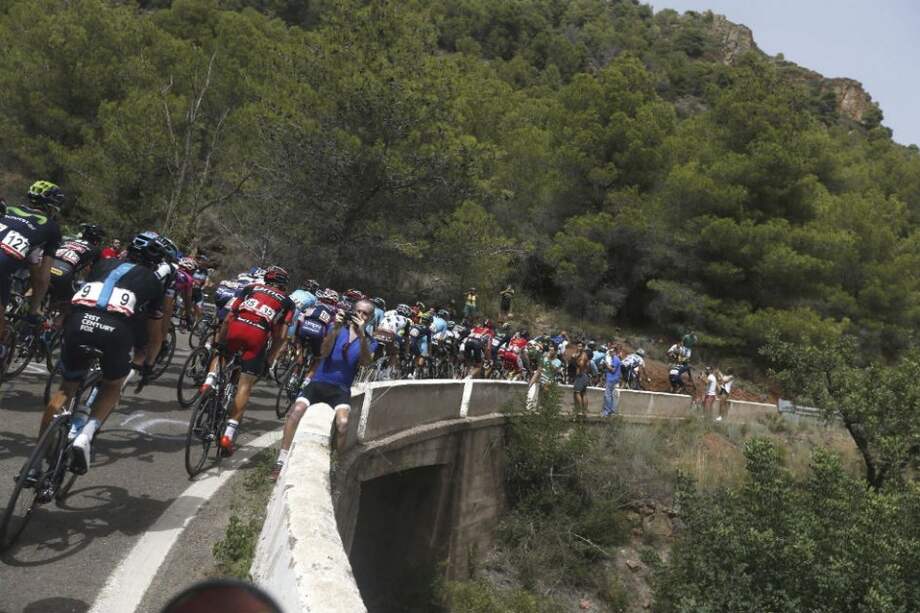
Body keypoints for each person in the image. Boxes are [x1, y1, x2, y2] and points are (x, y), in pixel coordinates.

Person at [41, 232, 167, 475]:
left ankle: (36, 464)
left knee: (66, 389)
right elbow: (154, 335)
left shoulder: (103, 263)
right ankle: (86, 435)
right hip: (115, 330)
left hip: (79, 322)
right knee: (112, 386)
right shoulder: (153, 282)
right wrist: (148, 363)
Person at [272, 299, 377, 481]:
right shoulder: (337, 330)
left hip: (341, 389)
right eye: (358, 311)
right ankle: (280, 461)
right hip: (319, 382)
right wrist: (335, 326)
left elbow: (365, 362)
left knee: (343, 424)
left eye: (365, 313)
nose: (360, 315)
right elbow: (324, 352)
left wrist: (360, 335)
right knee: (295, 412)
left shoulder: (369, 342)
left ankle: (335, 463)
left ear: (370, 318)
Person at [203, 266, 294, 456]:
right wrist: (270, 357)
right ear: (284, 285)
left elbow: (229, 317)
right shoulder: (287, 302)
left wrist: (219, 342)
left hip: (237, 328)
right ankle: (228, 435)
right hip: (258, 335)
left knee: (222, 355)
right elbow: (282, 335)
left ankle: (210, 380)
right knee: (245, 385)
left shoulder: (251, 288)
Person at [0, 181, 64, 358]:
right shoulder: (52, 228)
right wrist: (34, 309)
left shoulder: (9, 210)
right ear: (51, 205)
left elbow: (32, 259)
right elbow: (43, 277)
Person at [48, 223, 105, 318]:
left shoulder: (69, 240)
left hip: (47, 265)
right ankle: (57, 323)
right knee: (72, 301)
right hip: (64, 272)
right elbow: (95, 271)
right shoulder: (96, 250)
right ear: (97, 239)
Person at [570, 339, 591, 412]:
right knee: (583, 393)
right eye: (578, 346)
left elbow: (581, 365)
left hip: (580, 376)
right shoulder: (581, 354)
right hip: (584, 375)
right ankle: (584, 411)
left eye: (580, 346)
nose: (579, 347)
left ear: (583, 347)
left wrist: (574, 359)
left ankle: (580, 411)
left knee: (577, 393)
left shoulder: (582, 355)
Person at [602, 343, 621, 417]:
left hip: (611, 379)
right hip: (612, 379)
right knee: (611, 395)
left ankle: (607, 411)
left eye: (611, 351)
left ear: (615, 352)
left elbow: (612, 370)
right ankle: (611, 410)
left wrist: (606, 364)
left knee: (607, 395)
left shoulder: (615, 359)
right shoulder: (614, 359)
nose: (610, 352)